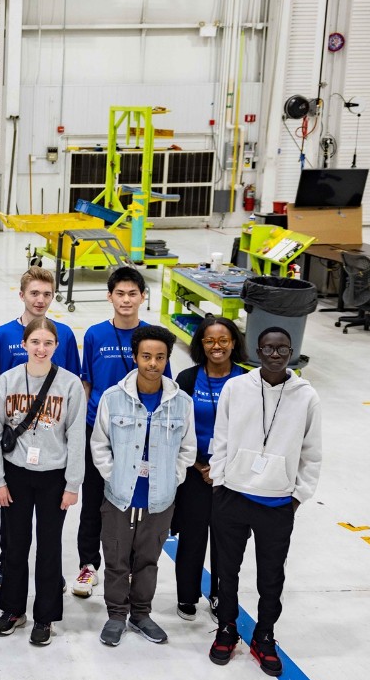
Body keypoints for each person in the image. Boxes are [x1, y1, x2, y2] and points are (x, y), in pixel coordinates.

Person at [208, 328, 321, 677]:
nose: (275, 354)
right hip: (233, 496)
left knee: (271, 578)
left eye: (282, 349)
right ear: (258, 351)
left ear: (291, 352)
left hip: (277, 504)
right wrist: (220, 481)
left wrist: (298, 496)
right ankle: (227, 628)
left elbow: (312, 452)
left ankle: (264, 635)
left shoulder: (306, 396)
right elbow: (221, 437)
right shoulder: (236, 387)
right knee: (226, 573)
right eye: (268, 348)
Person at [90, 325, 195, 647]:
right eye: (146, 356)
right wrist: (114, 476)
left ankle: (141, 613)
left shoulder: (181, 402)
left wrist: (171, 478)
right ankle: (116, 614)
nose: (153, 363)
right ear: (135, 357)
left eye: (160, 357)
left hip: (160, 499)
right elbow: (99, 444)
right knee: (117, 558)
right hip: (120, 495)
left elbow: (187, 450)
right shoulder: (113, 398)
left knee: (148, 559)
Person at [0, 266, 81, 589]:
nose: (40, 300)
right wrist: (10, 418)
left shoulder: (62, 335)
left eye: (47, 294)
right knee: (12, 515)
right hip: (16, 436)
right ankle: (7, 564)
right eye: (34, 293)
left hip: (51, 435)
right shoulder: (4, 335)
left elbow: (75, 385)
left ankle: (51, 573)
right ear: (21, 295)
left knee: (50, 524)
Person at [0, 319, 86, 647]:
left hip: (54, 476)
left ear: (56, 346)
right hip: (15, 473)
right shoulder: (7, 380)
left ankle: (45, 616)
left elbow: (77, 437)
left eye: (47, 343)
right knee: (15, 544)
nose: (41, 349)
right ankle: (14, 609)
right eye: (35, 342)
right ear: (25, 344)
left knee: (49, 546)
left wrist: (73, 484)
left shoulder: (70, 385)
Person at [73, 267, 169, 599]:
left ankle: (126, 566)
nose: (126, 300)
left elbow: (164, 387)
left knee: (131, 504)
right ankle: (88, 566)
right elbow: (86, 382)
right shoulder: (96, 335)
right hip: (98, 431)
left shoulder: (155, 336)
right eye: (120, 293)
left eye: (132, 293)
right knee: (94, 501)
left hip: (140, 436)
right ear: (109, 296)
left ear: (143, 297)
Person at [173, 316, 247, 621]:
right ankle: (186, 596)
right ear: (200, 344)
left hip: (230, 476)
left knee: (225, 540)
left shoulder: (246, 381)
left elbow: (251, 431)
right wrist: (201, 465)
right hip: (195, 471)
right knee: (192, 536)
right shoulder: (188, 379)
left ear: (233, 343)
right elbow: (177, 428)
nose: (216, 346)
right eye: (209, 340)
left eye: (223, 340)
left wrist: (222, 467)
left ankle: (220, 595)